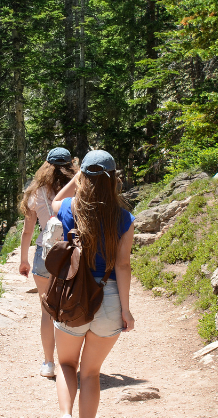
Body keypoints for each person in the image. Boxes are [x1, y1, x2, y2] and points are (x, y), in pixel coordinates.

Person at [50, 149, 134, 418]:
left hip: (72, 294)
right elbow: (122, 265)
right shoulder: (124, 218)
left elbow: (55, 200)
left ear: (83, 177)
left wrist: (79, 176)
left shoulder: (68, 208)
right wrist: (126, 309)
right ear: (113, 179)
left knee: (65, 364)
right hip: (108, 299)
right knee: (90, 372)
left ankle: (65, 415)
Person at [18, 147, 78, 378]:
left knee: (47, 312)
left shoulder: (36, 193)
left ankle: (48, 363)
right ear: (70, 165)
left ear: (46, 166)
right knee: (70, 308)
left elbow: (27, 231)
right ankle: (69, 362)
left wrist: (24, 260)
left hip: (44, 253)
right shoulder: (79, 189)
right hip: (72, 254)